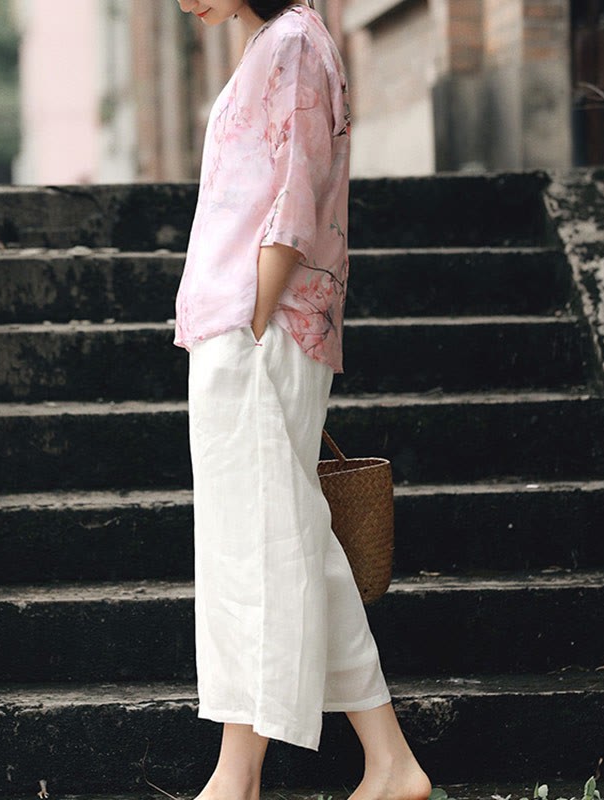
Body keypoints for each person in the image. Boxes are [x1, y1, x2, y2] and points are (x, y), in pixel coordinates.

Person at [172, 2, 433, 799]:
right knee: (282, 541)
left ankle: (237, 776)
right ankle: (383, 763)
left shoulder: (291, 41)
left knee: (263, 547)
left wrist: (253, 321)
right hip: (248, 327)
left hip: (261, 329)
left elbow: (292, 195)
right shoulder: (273, 41)